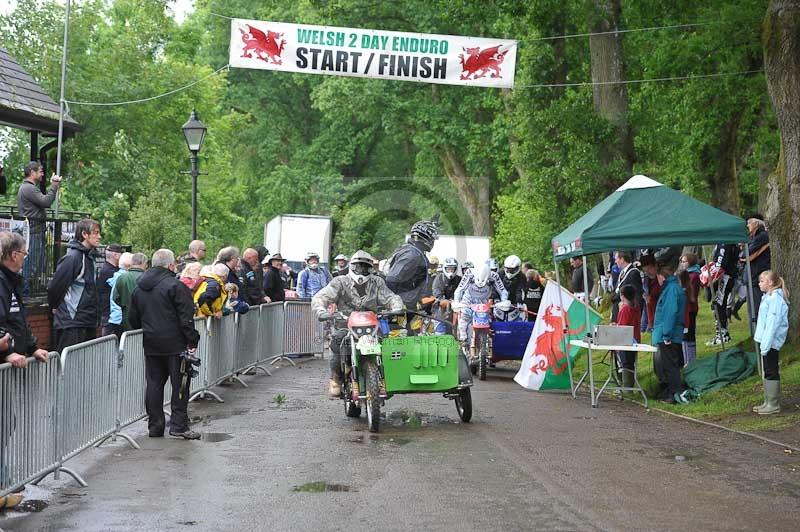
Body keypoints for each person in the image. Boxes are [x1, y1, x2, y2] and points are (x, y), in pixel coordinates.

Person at [0, 231, 50, 510]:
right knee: (4, 421)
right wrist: (8, 351)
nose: (26, 258)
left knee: (7, 421)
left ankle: (4, 483)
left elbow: (18, 318)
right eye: (24, 253)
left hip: (8, 359)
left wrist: (31, 347)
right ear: (12, 254)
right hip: (2, 363)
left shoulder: (10, 281)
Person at [128, 249, 201, 439]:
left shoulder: (139, 288)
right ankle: (178, 426)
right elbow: (186, 318)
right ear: (171, 265)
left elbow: (133, 318)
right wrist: (192, 339)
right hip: (176, 344)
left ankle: (155, 426)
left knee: (154, 385)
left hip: (151, 343)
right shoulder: (176, 287)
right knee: (181, 385)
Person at [311, 250, 404, 398]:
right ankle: (336, 378)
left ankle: (385, 379)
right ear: (351, 266)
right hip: (345, 325)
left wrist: (397, 308)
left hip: (372, 327)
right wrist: (321, 310)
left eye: (365, 267)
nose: (361, 270)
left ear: (370, 269)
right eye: (358, 267)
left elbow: (390, 297)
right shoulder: (340, 281)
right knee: (337, 343)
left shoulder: (377, 282)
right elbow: (321, 297)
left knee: (386, 345)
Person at [47, 218, 101, 353]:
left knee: (84, 367)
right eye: (95, 233)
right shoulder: (73, 257)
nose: (99, 236)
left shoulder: (90, 257)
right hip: (72, 323)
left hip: (87, 321)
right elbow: (55, 286)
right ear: (84, 234)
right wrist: (54, 306)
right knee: (68, 368)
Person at [17, 161, 62, 293]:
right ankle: (25, 293)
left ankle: (29, 290)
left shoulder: (27, 188)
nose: (42, 174)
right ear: (32, 172)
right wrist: (54, 186)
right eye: (40, 171)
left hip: (34, 230)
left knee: (35, 262)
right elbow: (45, 201)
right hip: (34, 231)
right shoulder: (28, 188)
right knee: (31, 263)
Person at [651, 247, 687, 404]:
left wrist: (666, 334)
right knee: (666, 365)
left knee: (670, 367)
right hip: (667, 333)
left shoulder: (671, 289)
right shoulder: (670, 287)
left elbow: (670, 313)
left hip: (668, 335)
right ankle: (671, 392)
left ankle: (674, 394)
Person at [453, 264, 510, 361]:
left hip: (483, 303)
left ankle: (487, 345)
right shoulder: (469, 273)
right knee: (464, 322)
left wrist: (504, 300)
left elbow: (503, 291)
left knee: (488, 321)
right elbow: (459, 289)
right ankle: (463, 342)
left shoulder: (494, 276)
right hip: (468, 301)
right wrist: (457, 301)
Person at [752, 270, 789, 415]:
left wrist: (765, 345)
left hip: (771, 342)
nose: (759, 283)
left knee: (771, 370)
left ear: (771, 283)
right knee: (767, 370)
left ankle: (773, 403)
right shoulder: (768, 297)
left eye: (762, 281)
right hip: (766, 341)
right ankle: (768, 400)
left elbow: (772, 324)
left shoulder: (775, 300)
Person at [385, 218, 439, 311]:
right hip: (402, 308)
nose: (433, 241)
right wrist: (400, 302)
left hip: (411, 307)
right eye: (432, 238)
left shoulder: (416, 252)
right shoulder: (413, 254)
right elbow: (392, 279)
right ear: (426, 237)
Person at [705, 243, 739, 346]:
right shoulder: (722, 243)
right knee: (717, 303)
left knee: (719, 303)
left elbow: (721, 263)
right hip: (725, 275)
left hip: (725, 276)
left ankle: (722, 334)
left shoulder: (724, 244)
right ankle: (721, 333)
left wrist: (714, 275)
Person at [739, 218, 770, 316]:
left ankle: (757, 330)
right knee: (751, 309)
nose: (747, 226)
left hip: (756, 276)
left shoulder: (761, 236)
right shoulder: (754, 237)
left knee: (756, 309)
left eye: (749, 223)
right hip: (752, 276)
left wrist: (744, 254)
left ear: (756, 224)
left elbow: (745, 254)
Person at [112, 253, 147, 332]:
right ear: (144, 263)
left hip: (126, 318)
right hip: (144, 319)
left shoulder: (122, 278)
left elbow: (115, 298)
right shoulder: (147, 277)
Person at [615, 284, 641, 389]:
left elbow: (622, 327)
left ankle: (626, 387)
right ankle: (629, 386)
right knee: (631, 362)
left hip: (626, 340)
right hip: (635, 338)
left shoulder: (625, 309)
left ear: (622, 296)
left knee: (625, 363)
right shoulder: (636, 306)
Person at [679, 253, 701, 366]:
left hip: (690, 309)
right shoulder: (685, 274)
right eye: (682, 261)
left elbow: (691, 294)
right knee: (684, 335)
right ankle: (686, 359)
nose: (682, 264)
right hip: (684, 309)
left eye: (684, 261)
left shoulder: (694, 276)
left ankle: (691, 359)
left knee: (689, 335)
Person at [98, 244, 124, 337]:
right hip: (109, 314)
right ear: (116, 255)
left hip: (109, 313)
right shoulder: (109, 272)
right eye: (121, 253)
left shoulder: (109, 269)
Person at [431, 257, 462, 335]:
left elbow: (464, 292)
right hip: (441, 308)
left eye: (452, 269)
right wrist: (445, 301)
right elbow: (437, 294)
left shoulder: (459, 279)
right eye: (449, 269)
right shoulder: (439, 279)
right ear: (445, 269)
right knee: (440, 332)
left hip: (457, 307)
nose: (450, 271)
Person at [106, 252, 133, 338]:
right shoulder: (124, 279)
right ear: (128, 265)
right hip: (120, 318)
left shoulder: (116, 277)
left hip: (114, 318)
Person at [611, 251, 642, 323]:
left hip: (626, 311)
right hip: (618, 307)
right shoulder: (622, 273)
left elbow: (636, 293)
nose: (615, 261)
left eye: (617, 259)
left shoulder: (633, 273)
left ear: (622, 259)